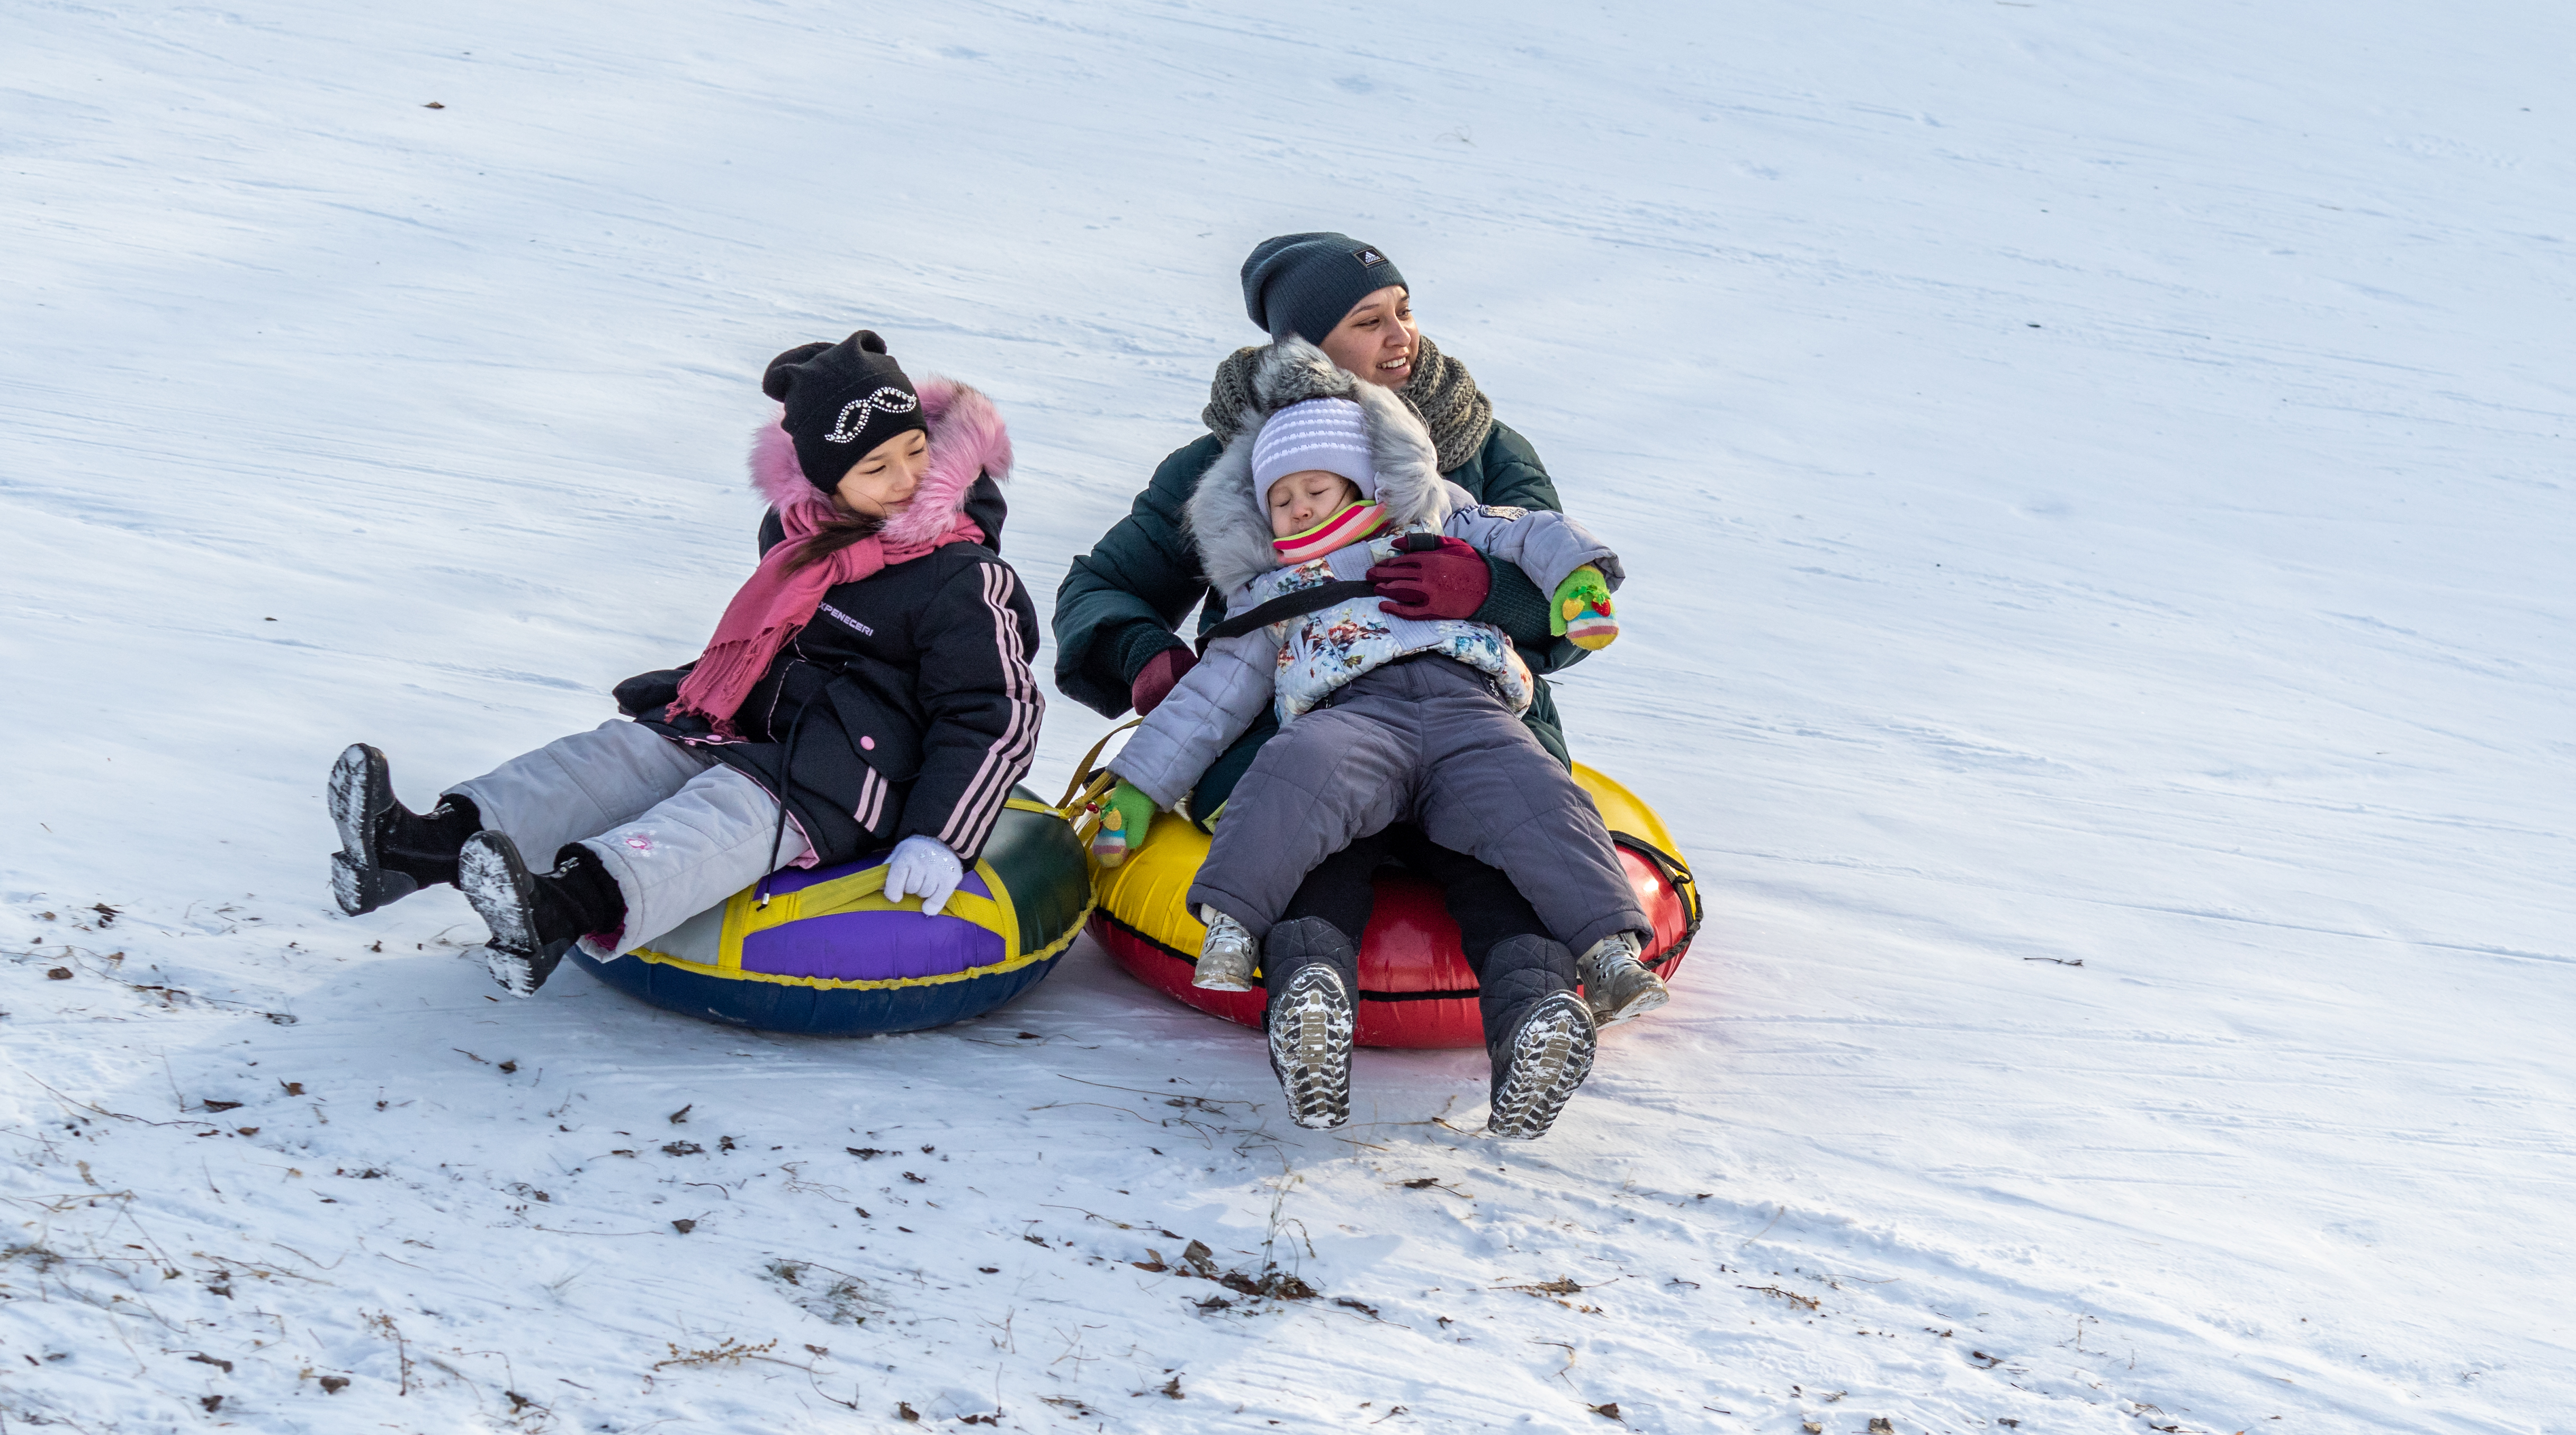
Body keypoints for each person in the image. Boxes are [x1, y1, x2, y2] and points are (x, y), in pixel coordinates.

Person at [1052, 233, 1647, 1134]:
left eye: (1404, 310)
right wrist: (1146, 656)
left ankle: (1537, 1018)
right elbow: (1102, 586)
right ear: (1306, 347)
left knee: (1501, 839)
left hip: (1468, 700)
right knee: (1306, 819)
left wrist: (1492, 594)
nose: (1400, 335)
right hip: (1289, 709)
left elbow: (1560, 571)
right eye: (1369, 322)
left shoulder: (1479, 448)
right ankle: (1309, 1006)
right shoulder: (1231, 462)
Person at [327, 331, 1043, 996]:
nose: (906, 479)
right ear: (825, 481)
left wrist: (940, 837)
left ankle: (558, 908)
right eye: (875, 467)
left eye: (918, 451)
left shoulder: (960, 576)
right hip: (753, 723)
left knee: (724, 812)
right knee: (616, 757)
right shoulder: (801, 536)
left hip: (856, 774)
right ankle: (414, 848)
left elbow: (995, 712)